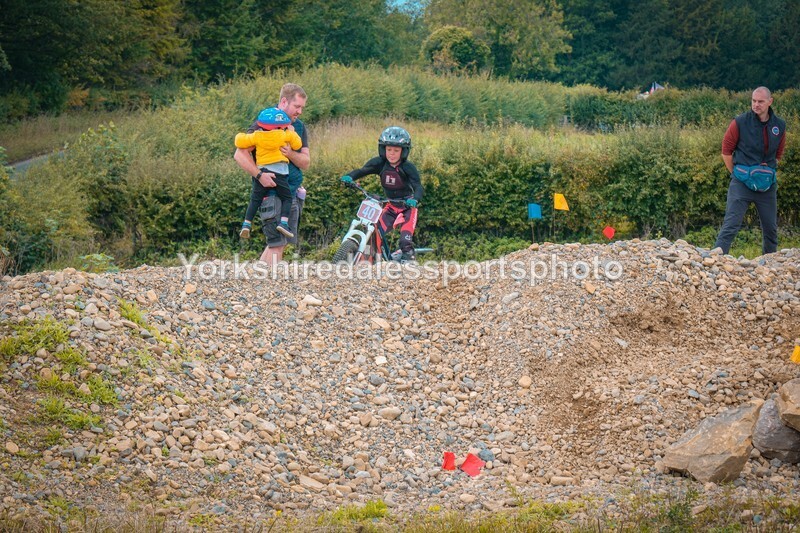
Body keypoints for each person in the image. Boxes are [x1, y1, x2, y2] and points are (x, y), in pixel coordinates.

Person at [234, 83, 310, 264]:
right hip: (270, 192)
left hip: (291, 192)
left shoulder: (298, 127)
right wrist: (260, 175)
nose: (299, 111)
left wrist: (290, 153)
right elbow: (239, 153)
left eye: (302, 108)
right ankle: (271, 284)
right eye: (296, 106)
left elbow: (306, 162)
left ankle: (259, 278)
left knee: (279, 243)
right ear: (284, 102)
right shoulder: (265, 122)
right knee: (276, 243)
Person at [714, 86, 786, 256]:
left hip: (767, 186)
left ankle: (770, 264)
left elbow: (779, 154)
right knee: (730, 226)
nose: (756, 104)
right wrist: (738, 174)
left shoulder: (779, 126)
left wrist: (764, 171)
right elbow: (726, 151)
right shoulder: (739, 122)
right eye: (753, 101)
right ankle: (715, 264)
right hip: (741, 184)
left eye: (760, 101)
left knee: (770, 230)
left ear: (770, 101)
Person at [340, 126, 423, 261]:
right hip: (390, 206)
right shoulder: (380, 163)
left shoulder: (408, 167)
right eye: (388, 149)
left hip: (408, 208)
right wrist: (350, 177)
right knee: (375, 234)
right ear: (383, 149)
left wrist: (415, 199)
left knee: (404, 242)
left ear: (404, 152)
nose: (391, 153)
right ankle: (374, 260)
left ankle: (409, 263)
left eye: (396, 150)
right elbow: (362, 171)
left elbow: (418, 186)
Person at [235, 107, 302, 239]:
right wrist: (292, 132)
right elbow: (297, 145)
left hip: (263, 172)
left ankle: (246, 224)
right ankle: (283, 223)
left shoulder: (257, 136)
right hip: (280, 174)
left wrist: (241, 135)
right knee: (287, 198)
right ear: (280, 125)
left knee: (255, 199)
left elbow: (239, 141)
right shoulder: (285, 134)